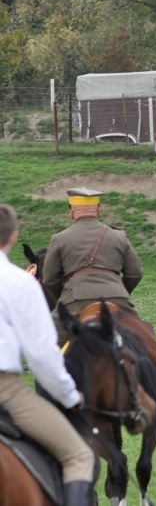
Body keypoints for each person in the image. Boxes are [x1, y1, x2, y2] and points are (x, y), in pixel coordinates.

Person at [0, 204, 97, 505]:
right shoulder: (19, 282)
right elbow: (42, 355)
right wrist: (70, 396)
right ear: (13, 236)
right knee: (80, 455)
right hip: (6, 390)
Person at [42, 187, 143, 339]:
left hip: (75, 301)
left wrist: (65, 299)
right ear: (98, 210)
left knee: (49, 338)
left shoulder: (60, 238)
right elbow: (135, 274)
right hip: (117, 297)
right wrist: (118, 292)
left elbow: (49, 279)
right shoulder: (119, 236)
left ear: (71, 213)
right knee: (143, 337)